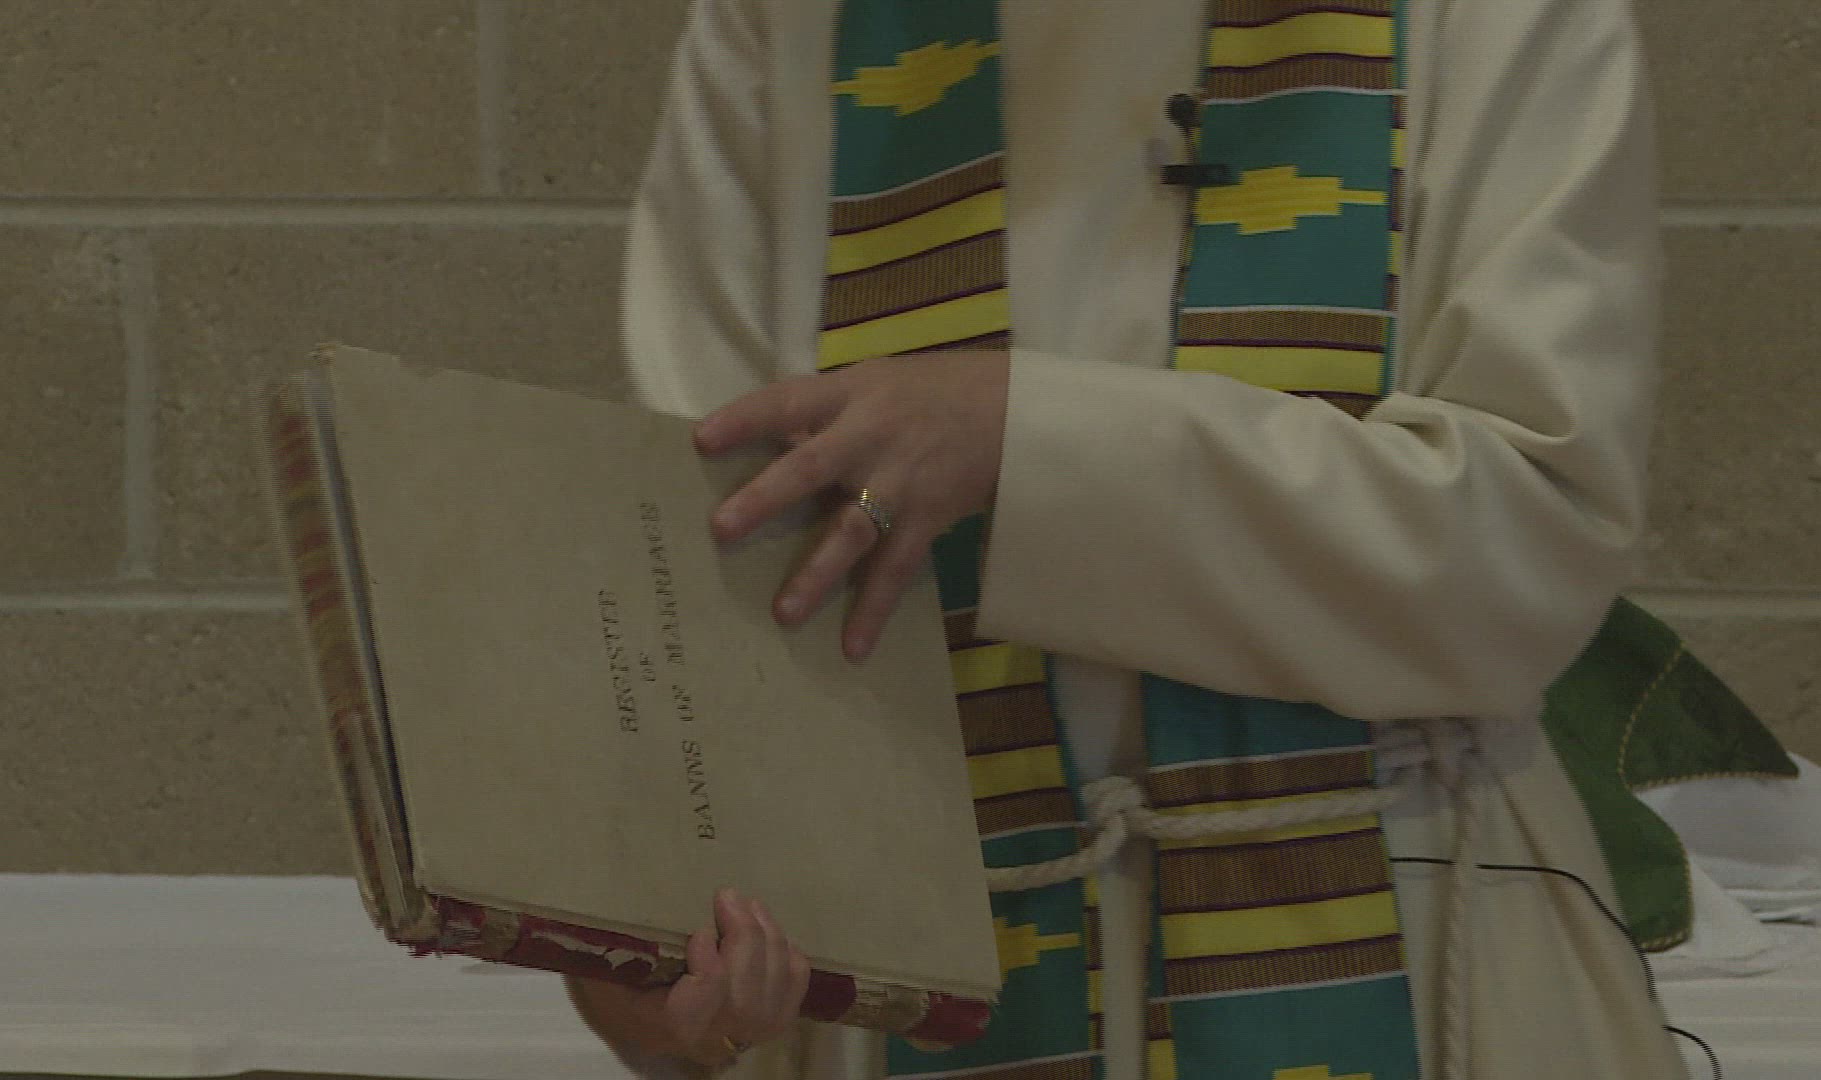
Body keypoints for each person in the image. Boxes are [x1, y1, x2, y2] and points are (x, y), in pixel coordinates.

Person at [570, 0, 1691, 1077]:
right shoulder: (791, 19)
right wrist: (671, 956)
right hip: (921, 966)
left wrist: (1023, 443)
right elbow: (704, 585)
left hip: (1413, 931)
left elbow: (1527, 542)